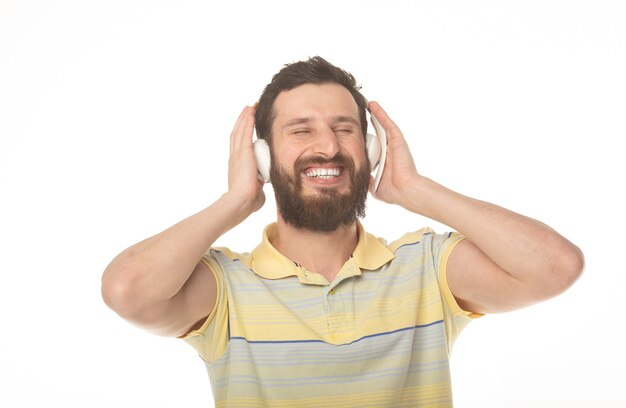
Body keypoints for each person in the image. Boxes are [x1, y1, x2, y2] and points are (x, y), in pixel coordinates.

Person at [102, 56, 584, 407]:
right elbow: (127, 291)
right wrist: (233, 204)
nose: (328, 147)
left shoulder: (426, 269)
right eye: (301, 130)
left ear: (371, 149)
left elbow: (556, 267)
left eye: (345, 129)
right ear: (264, 158)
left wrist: (415, 189)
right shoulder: (226, 287)